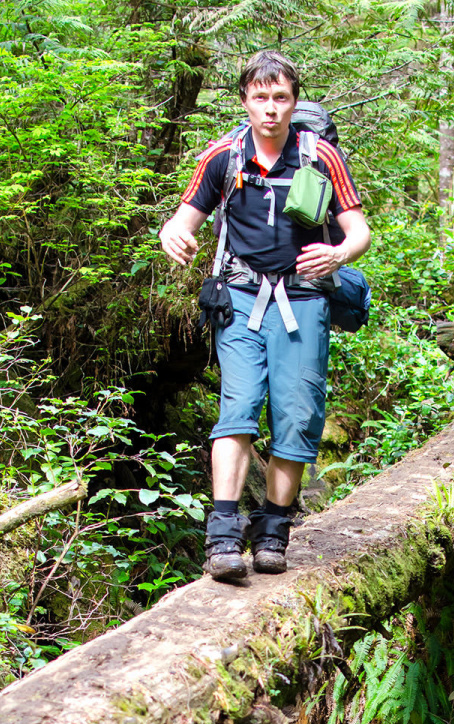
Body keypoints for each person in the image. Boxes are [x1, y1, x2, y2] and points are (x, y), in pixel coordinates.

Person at [159, 50, 371, 582]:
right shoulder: (222, 158)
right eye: (260, 98)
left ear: (294, 102)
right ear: (245, 101)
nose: (271, 109)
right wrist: (174, 235)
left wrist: (339, 254)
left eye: (280, 98)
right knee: (240, 407)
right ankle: (224, 537)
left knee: (297, 418)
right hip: (240, 301)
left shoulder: (320, 156)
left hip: (304, 301)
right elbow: (180, 220)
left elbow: (359, 231)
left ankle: (273, 531)